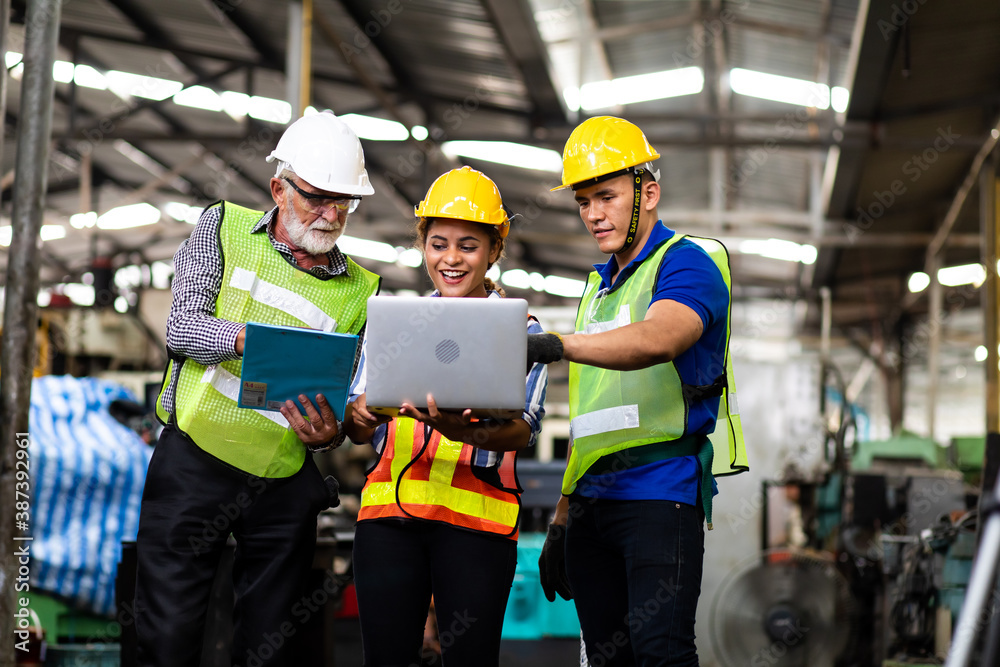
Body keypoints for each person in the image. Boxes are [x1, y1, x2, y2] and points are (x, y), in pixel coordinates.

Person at [135, 111, 382, 667]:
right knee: (167, 635)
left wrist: (328, 435)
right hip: (193, 463)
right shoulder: (222, 229)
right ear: (279, 187)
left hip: (280, 480)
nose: (331, 214)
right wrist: (254, 340)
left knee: (269, 645)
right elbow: (181, 328)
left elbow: (344, 400)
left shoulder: (363, 289)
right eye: (317, 197)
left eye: (344, 202)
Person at [527, 116, 749, 667]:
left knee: (661, 655)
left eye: (606, 196)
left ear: (649, 193)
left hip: (658, 493)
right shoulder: (596, 291)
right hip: (589, 506)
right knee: (607, 660)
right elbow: (589, 416)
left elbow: (658, 339)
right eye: (583, 202)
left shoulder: (688, 263)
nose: (593, 215)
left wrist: (556, 344)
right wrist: (560, 516)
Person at [342, 166, 549, 667]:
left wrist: (471, 430)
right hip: (387, 520)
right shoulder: (394, 324)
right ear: (422, 246)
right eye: (437, 244)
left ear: (495, 250)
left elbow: (526, 427)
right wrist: (361, 416)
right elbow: (354, 424)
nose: (450, 259)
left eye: (468, 245)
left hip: (475, 527)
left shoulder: (523, 328)